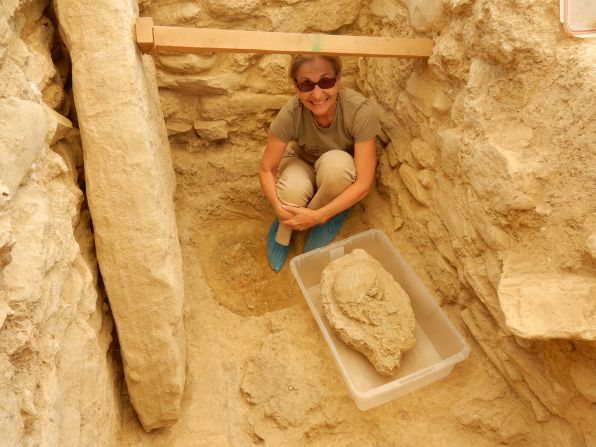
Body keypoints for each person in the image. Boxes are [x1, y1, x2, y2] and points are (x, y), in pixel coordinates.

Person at [258, 54, 380, 272]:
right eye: (306, 84)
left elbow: (364, 183)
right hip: (302, 160)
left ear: (338, 79)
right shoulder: (292, 112)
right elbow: (267, 168)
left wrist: (319, 216)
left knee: (337, 167)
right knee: (291, 190)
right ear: (296, 86)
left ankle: (326, 218)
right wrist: (278, 207)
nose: (317, 94)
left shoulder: (359, 111)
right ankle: (285, 227)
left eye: (325, 82)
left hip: (335, 172)